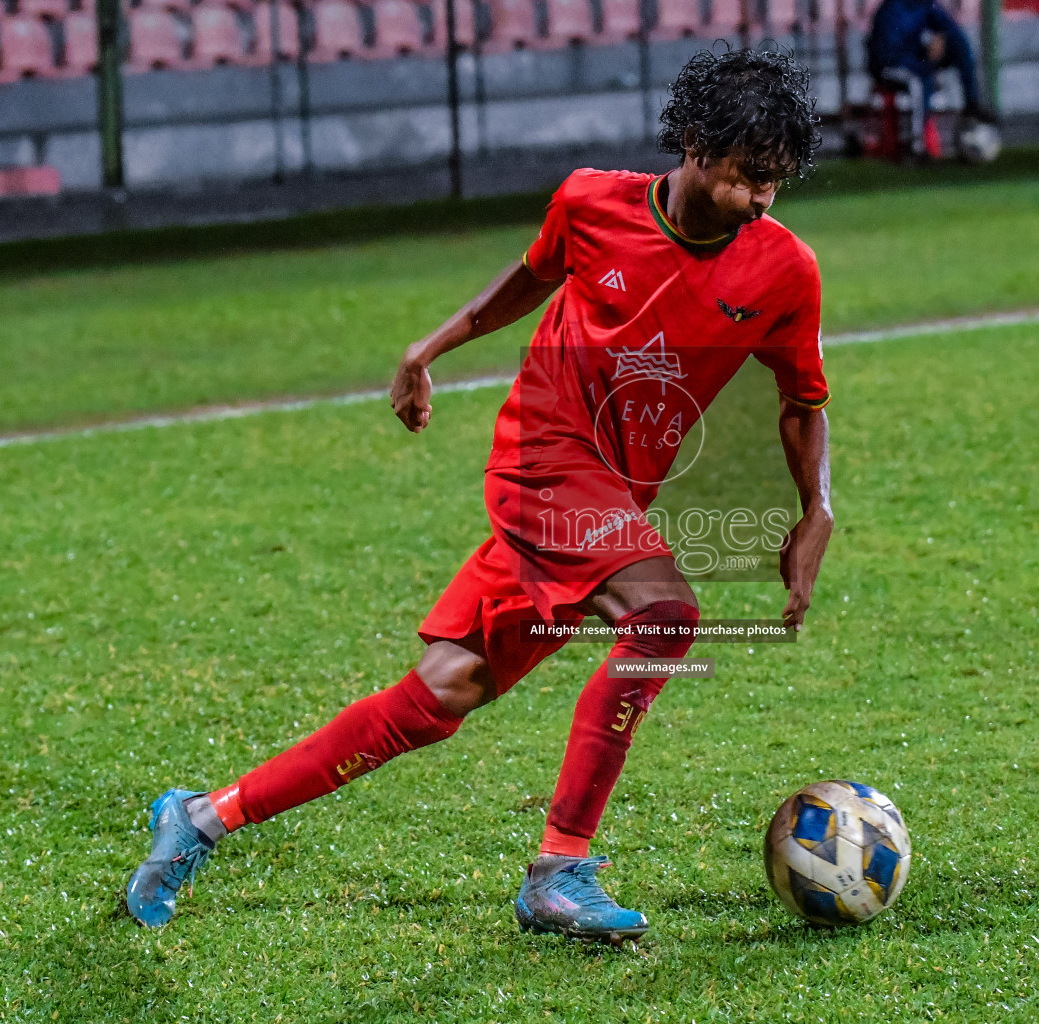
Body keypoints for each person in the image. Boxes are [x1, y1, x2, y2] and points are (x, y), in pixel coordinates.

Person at [124, 47, 835, 946]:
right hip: (544, 461)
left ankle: (201, 816)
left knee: (443, 693)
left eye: (777, 183)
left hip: (612, 497)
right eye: (746, 178)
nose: (761, 201)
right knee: (665, 614)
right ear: (695, 145)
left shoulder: (784, 271)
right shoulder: (591, 201)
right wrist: (430, 348)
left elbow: (803, 399)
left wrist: (818, 507)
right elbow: (532, 274)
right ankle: (559, 869)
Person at [867, 0, 995, 136]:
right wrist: (922, 65)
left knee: (959, 43)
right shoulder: (891, 10)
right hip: (889, 67)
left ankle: (971, 105)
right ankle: (918, 142)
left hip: (915, 60)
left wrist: (940, 38)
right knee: (919, 80)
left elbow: (948, 27)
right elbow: (886, 54)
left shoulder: (925, 5)